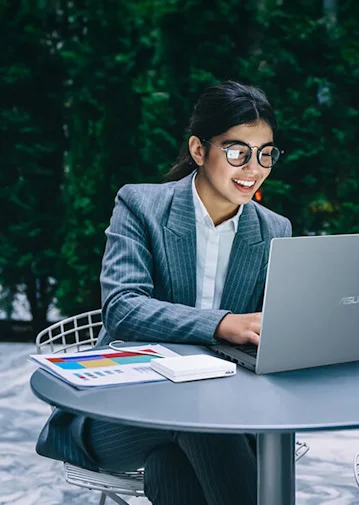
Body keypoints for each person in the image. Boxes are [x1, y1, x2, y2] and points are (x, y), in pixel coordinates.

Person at [35, 81, 291, 505]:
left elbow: (270, 330)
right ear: (198, 150)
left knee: (170, 468)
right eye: (237, 152)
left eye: (265, 153)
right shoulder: (140, 205)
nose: (254, 168)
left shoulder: (271, 229)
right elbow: (122, 308)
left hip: (223, 410)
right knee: (205, 420)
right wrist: (223, 324)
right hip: (123, 409)